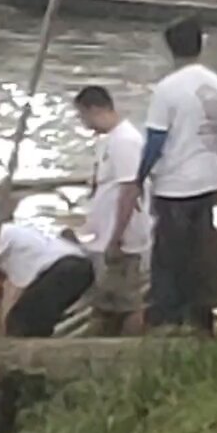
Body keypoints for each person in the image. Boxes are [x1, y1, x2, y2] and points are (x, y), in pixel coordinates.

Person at [125, 18, 217, 334]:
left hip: (176, 184)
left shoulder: (168, 89)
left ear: (170, 48)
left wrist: (137, 181)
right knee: (200, 254)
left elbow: (156, 142)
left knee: (168, 256)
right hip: (209, 180)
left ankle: (167, 319)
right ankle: (201, 318)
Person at [74, 86, 152, 335]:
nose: (84, 124)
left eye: (83, 116)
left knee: (129, 301)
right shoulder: (108, 141)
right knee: (108, 299)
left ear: (95, 110)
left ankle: (129, 349)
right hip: (107, 235)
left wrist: (117, 237)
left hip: (123, 238)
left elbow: (130, 189)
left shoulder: (126, 141)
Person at [0, 210, 94, 338]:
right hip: (77, 266)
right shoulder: (10, 231)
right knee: (31, 315)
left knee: (20, 322)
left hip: (63, 270)